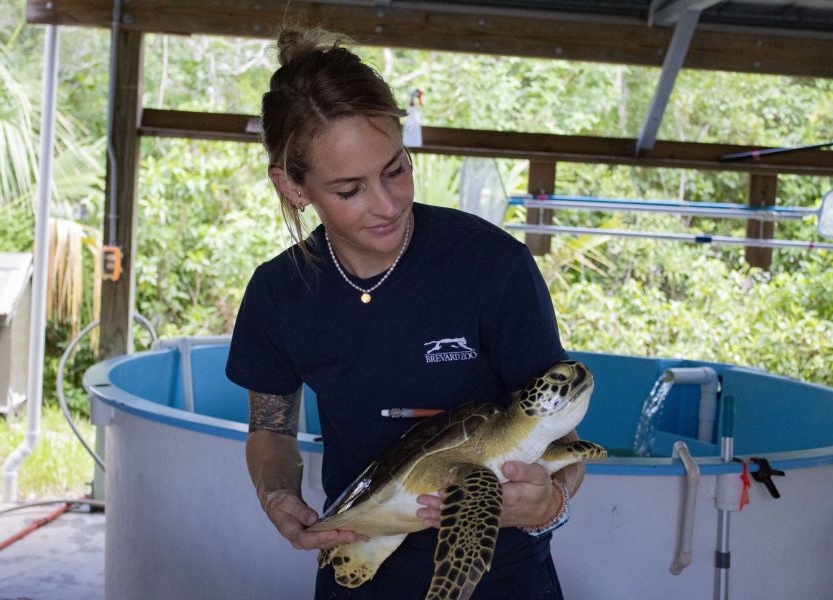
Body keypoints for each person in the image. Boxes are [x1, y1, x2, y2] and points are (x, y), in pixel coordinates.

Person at [226, 26, 587, 600]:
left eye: (396, 169)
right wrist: (277, 496)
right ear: (294, 187)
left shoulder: (493, 266)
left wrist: (554, 496)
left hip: (501, 574)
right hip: (360, 563)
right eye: (350, 189)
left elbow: (557, 428)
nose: (388, 204)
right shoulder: (279, 293)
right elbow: (270, 430)